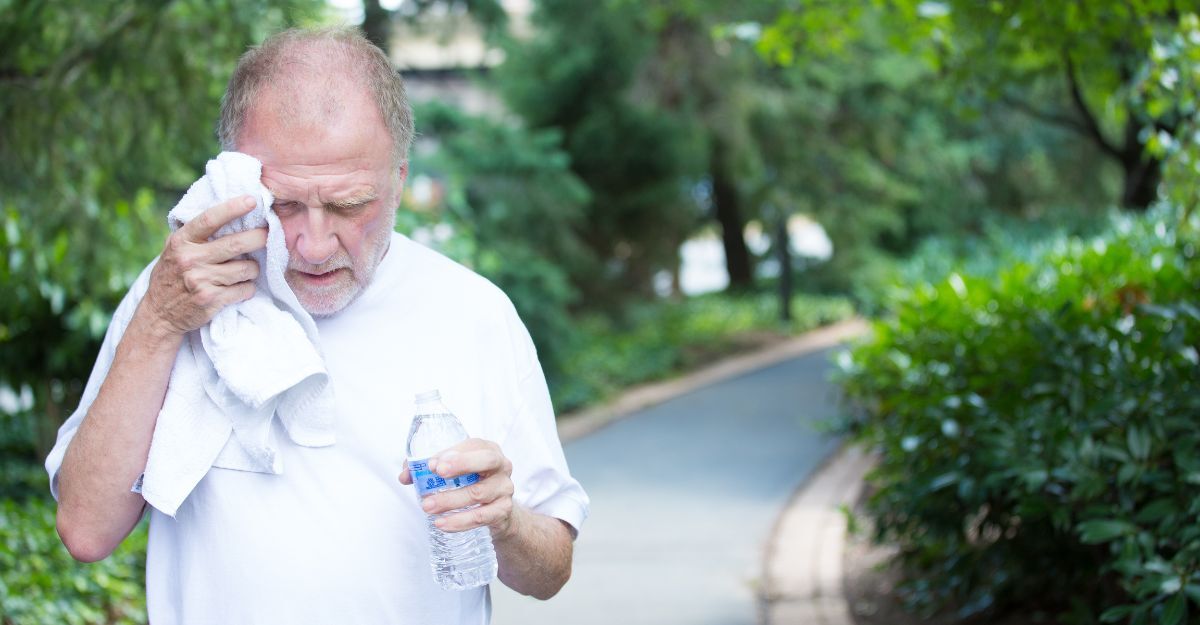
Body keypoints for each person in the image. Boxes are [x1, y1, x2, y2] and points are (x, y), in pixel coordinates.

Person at [44, 26, 588, 624]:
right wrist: (161, 319)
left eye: (350, 205)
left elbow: (550, 572)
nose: (312, 242)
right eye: (282, 205)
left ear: (399, 179)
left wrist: (504, 521)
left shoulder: (473, 312)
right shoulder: (179, 290)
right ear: (235, 180)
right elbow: (85, 531)